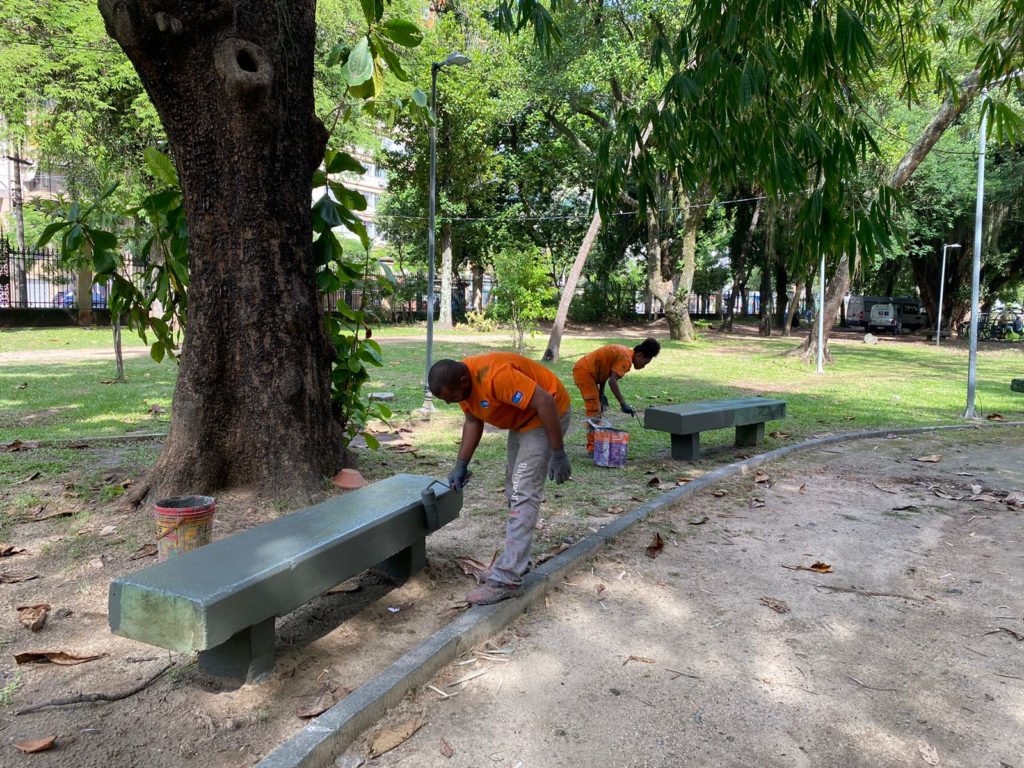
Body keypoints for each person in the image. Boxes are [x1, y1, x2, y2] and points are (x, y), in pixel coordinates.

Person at [428, 352, 572, 605]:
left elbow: (545, 402)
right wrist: (460, 464)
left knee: (523, 493)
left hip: (547, 414)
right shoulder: (462, 384)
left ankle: (507, 579)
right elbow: (473, 420)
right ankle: (518, 561)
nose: (452, 403)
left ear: (463, 380)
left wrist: (558, 452)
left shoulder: (495, 376)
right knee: (513, 490)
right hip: (522, 419)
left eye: (452, 399)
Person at [572, 338, 661, 452]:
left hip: (586, 369)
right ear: (640, 355)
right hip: (584, 372)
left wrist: (601, 393)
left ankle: (595, 444)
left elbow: (604, 371)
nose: (643, 367)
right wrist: (623, 404)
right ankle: (592, 448)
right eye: (645, 363)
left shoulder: (625, 353)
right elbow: (612, 381)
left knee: (597, 410)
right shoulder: (626, 359)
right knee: (594, 410)